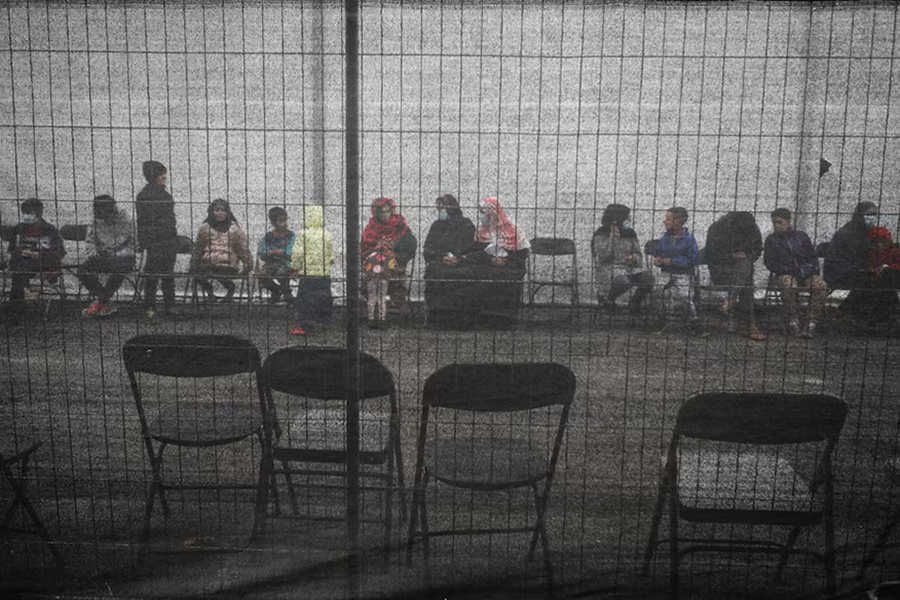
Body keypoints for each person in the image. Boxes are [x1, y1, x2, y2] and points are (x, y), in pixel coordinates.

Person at [825, 202, 900, 330]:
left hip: (860, 270)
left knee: (880, 279)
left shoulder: (869, 232)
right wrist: (867, 268)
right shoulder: (847, 233)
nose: (872, 218)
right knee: (872, 280)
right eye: (869, 214)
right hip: (842, 272)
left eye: (874, 215)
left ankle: (872, 317)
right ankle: (877, 316)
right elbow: (849, 259)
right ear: (860, 215)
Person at [763, 208, 828, 338]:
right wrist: (787, 270)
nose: (776, 226)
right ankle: (793, 319)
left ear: (788, 221)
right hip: (787, 273)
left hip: (807, 273)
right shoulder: (771, 240)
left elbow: (812, 257)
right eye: (774, 223)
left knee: (820, 285)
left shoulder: (801, 236)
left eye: (779, 222)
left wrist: (808, 270)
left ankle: (811, 322)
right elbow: (770, 263)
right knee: (788, 285)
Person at [705, 211, 766, 341]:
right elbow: (710, 255)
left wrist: (747, 256)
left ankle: (730, 301)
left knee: (745, 268)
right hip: (720, 272)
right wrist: (731, 256)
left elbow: (757, 250)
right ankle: (749, 325)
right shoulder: (717, 229)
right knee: (746, 278)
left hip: (741, 273)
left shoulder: (752, 228)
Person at [77, 195, 136, 317]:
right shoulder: (95, 222)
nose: (97, 214)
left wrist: (114, 254)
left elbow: (132, 247)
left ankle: (100, 302)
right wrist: (95, 253)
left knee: (119, 271)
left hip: (123, 257)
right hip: (102, 256)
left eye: (100, 211)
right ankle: (104, 300)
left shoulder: (127, 222)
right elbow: (90, 241)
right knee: (82, 270)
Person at [422, 194, 477, 323]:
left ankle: (458, 318)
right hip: (439, 262)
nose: (440, 212)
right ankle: (437, 317)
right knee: (435, 275)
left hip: (461, 263)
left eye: (442, 208)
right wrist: (441, 256)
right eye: (438, 209)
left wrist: (457, 257)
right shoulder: (436, 226)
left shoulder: (466, 225)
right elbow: (428, 248)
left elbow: (469, 247)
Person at [6, 198, 66, 313]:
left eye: (30, 213)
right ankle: (20, 305)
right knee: (20, 269)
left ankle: (16, 307)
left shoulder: (49, 229)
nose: (27, 216)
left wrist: (39, 254)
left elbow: (60, 251)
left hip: (43, 263)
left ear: (39, 213)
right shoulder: (19, 229)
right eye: (25, 213)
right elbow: (12, 249)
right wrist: (21, 252)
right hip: (23, 262)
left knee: (19, 271)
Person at [591, 203, 653, 313]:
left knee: (648, 278)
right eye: (627, 218)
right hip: (609, 271)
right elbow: (604, 256)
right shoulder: (601, 234)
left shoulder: (630, 233)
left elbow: (638, 254)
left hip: (628, 269)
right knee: (624, 281)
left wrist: (633, 258)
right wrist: (613, 236)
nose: (629, 220)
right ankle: (608, 300)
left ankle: (635, 302)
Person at [136, 160, 178, 318]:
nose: (164, 177)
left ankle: (157, 306)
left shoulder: (145, 195)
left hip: (163, 240)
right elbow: (143, 221)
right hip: (159, 240)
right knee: (157, 275)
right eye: (161, 174)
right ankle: (163, 306)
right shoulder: (154, 196)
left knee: (160, 275)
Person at [360, 197, 417, 317]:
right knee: (373, 270)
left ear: (392, 211)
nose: (385, 215)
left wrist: (393, 253)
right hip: (375, 266)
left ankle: (394, 305)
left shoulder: (400, 226)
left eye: (387, 212)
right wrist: (376, 249)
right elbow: (363, 250)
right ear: (376, 213)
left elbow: (411, 247)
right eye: (381, 212)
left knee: (391, 272)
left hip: (395, 264)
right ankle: (374, 306)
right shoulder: (371, 228)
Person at [192, 199, 252, 303]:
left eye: (223, 210)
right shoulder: (205, 228)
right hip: (208, 264)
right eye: (217, 210)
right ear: (211, 212)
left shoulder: (235, 230)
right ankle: (210, 293)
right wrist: (193, 263)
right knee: (197, 274)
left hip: (227, 265)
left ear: (227, 212)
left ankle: (230, 291)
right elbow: (198, 248)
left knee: (220, 274)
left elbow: (243, 250)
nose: (220, 213)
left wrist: (248, 266)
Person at [290, 205, 334, 336]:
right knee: (324, 296)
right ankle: (325, 321)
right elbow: (331, 255)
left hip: (307, 274)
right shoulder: (327, 235)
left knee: (305, 299)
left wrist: (295, 268)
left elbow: (298, 253)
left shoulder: (303, 235)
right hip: (323, 274)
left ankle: (305, 325)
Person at [652, 206, 700, 326]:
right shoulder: (666, 237)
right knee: (657, 289)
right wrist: (658, 260)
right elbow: (658, 252)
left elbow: (693, 259)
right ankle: (662, 318)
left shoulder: (689, 239)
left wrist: (673, 261)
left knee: (683, 295)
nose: (665, 222)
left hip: (683, 274)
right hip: (666, 272)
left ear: (677, 221)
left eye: (668, 219)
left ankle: (692, 320)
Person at [257, 206, 295, 304]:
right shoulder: (268, 236)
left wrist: (280, 253)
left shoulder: (291, 236)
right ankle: (276, 290)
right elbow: (262, 252)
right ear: (273, 223)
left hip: (286, 262)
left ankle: (287, 293)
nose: (285, 223)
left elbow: (291, 252)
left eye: (286, 220)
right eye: (281, 221)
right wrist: (268, 253)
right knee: (261, 275)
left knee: (281, 273)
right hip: (271, 263)